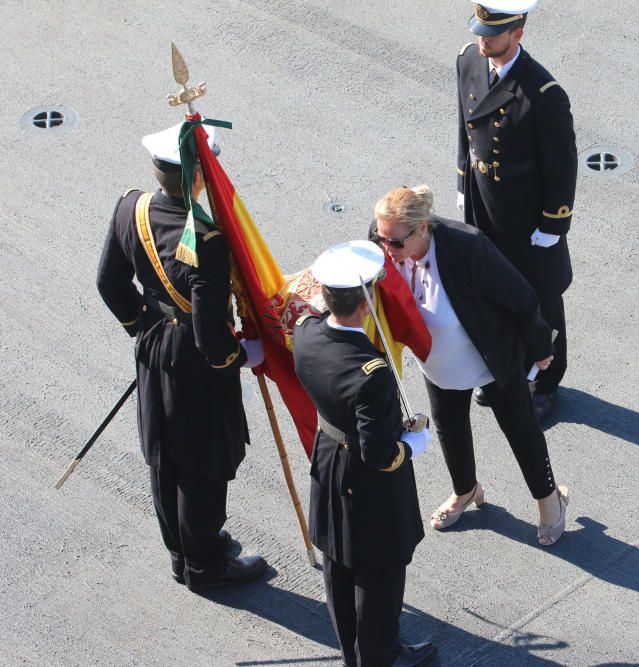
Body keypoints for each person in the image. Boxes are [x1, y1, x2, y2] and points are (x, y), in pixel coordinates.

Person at [96, 122, 269, 592]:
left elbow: (110, 284)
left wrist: (143, 326)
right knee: (201, 462)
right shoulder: (207, 241)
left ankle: (181, 552)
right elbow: (212, 337)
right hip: (194, 358)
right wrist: (242, 355)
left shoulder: (129, 206)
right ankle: (205, 565)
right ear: (198, 177)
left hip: (153, 344)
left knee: (164, 455)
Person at [372, 185, 570, 546]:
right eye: (380, 238)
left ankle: (550, 500)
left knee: (520, 429)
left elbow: (521, 298)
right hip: (436, 362)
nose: (386, 250)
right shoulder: (386, 244)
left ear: (423, 229)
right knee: (450, 428)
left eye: (395, 243)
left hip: (489, 357)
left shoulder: (467, 247)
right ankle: (466, 490)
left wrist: (540, 347)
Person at [293, 240, 436, 667]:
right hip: (365, 477)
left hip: (328, 459)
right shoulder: (371, 372)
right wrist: (413, 443)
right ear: (367, 299)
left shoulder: (304, 333)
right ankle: (380, 658)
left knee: (338, 564)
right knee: (380, 573)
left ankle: (353, 655)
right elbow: (379, 454)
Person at [456, 0, 578, 421]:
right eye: (480, 32)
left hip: (526, 215)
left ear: (518, 35)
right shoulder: (468, 61)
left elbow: (562, 164)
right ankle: (505, 367)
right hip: (484, 202)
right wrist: (462, 183)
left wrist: (553, 223)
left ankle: (546, 381)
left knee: (540, 297)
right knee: (489, 291)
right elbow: (465, 127)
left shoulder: (543, 93)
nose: (481, 40)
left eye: (491, 35)